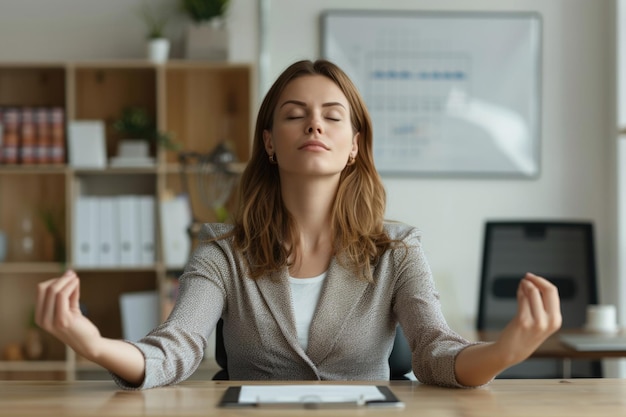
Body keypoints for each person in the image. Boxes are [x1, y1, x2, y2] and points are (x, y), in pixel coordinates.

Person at [35, 59, 561, 390]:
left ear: (355, 145)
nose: (314, 123)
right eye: (294, 114)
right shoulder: (220, 250)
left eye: (333, 115)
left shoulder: (397, 248)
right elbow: (176, 348)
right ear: (269, 141)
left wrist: (504, 352)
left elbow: (435, 353)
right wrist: (94, 344)